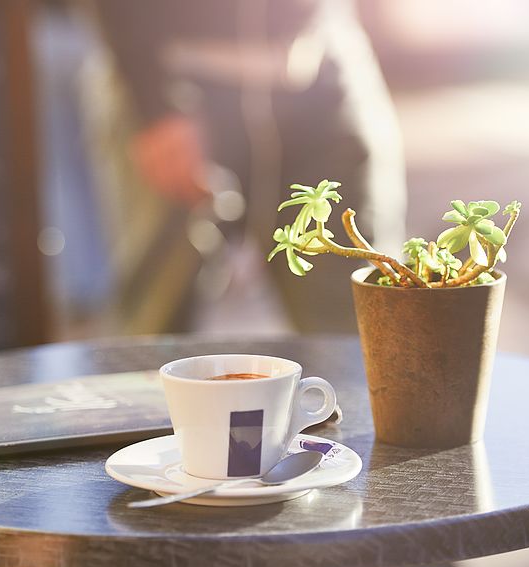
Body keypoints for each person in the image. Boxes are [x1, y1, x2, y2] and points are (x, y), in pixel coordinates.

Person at [85, 0, 406, 334]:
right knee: (158, 316)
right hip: (171, 68)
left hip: (317, 57)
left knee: (357, 315)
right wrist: (154, 103)